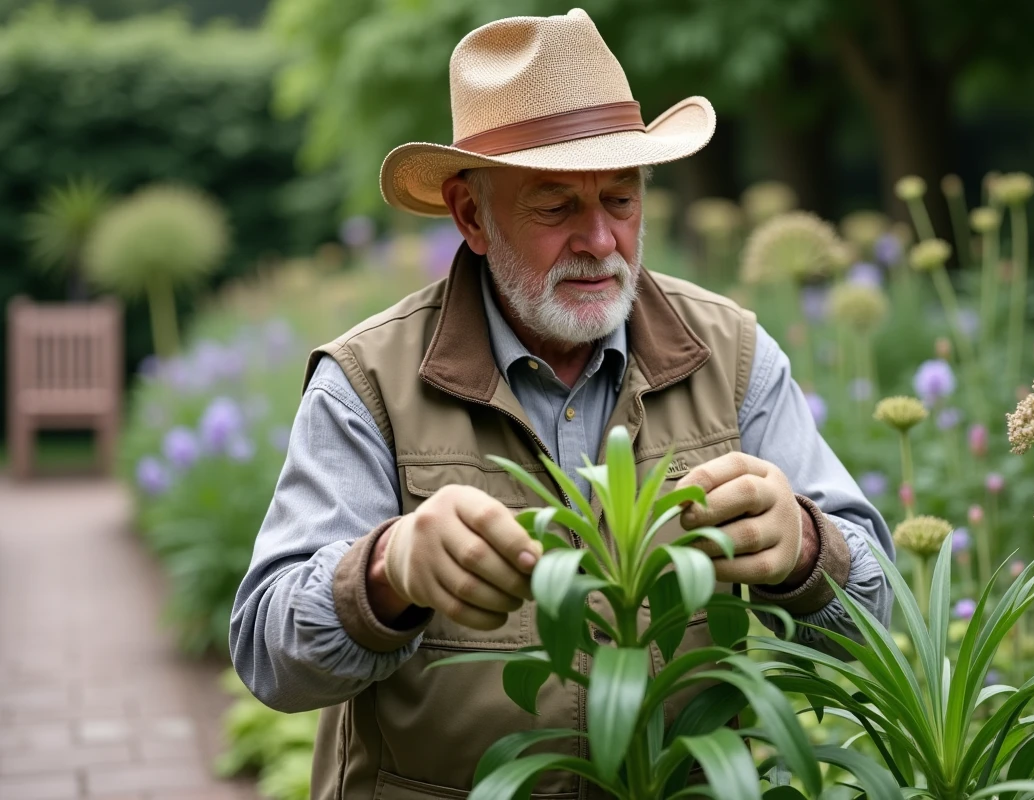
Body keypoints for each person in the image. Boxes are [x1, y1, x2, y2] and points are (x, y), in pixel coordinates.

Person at [230, 8, 893, 799]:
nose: (601, 241)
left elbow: (881, 625)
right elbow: (269, 656)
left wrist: (807, 549)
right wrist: (386, 570)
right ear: (471, 215)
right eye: (555, 208)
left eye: (621, 199)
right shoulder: (368, 380)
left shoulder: (735, 356)